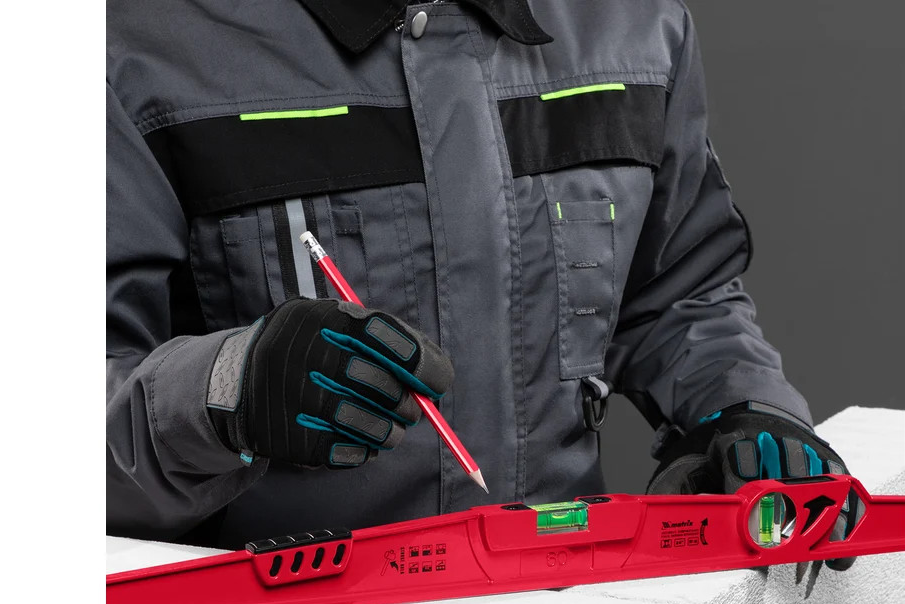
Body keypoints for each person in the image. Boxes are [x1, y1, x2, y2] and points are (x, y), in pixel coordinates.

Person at [107, 0, 856, 565]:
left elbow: (679, 295)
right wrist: (231, 387)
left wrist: (742, 409)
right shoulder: (139, 48)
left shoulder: (633, 23)